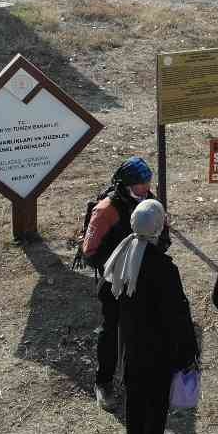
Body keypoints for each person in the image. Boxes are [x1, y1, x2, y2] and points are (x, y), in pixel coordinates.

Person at [103, 198, 197, 434]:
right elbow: (177, 316)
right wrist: (188, 352)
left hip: (131, 345)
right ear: (158, 227)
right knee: (157, 404)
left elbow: (107, 297)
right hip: (157, 350)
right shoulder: (164, 268)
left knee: (135, 396)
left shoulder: (122, 254)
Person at [81, 157, 167, 410]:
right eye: (142, 183)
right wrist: (122, 263)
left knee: (143, 331)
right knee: (111, 331)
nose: (147, 187)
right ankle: (103, 382)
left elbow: (165, 234)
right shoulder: (106, 209)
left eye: (148, 182)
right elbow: (90, 251)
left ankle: (139, 380)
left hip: (146, 280)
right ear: (128, 184)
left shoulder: (152, 203)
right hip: (115, 283)